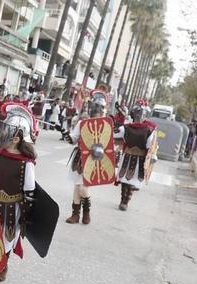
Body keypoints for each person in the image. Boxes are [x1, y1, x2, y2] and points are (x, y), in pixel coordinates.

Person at [0, 102, 38, 282]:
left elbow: (29, 190)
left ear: (16, 138)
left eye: (7, 130)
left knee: (6, 237)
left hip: (13, 207)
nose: (3, 133)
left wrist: (26, 214)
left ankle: (2, 265)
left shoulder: (26, 163)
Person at [65, 89, 114, 225]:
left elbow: (109, 145)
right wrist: (66, 135)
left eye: (99, 107)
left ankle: (86, 212)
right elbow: (74, 139)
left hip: (94, 160)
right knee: (77, 186)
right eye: (95, 106)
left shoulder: (106, 125)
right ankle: (75, 215)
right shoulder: (82, 123)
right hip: (80, 158)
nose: (96, 109)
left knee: (82, 188)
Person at [114, 99, 158, 211]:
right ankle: (124, 201)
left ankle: (125, 201)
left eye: (140, 114)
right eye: (137, 114)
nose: (138, 116)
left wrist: (152, 155)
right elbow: (115, 135)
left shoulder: (148, 130)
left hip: (137, 158)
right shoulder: (128, 128)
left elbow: (150, 147)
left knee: (130, 180)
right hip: (130, 156)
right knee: (125, 179)